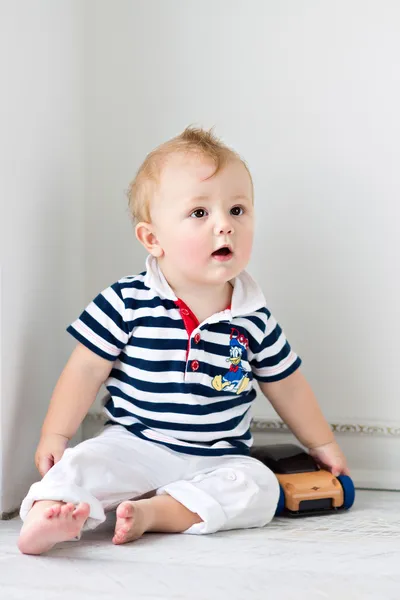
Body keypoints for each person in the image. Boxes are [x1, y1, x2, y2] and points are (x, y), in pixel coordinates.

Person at [18, 126, 349, 555]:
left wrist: (322, 445)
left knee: (260, 488)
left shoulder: (254, 317)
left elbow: (287, 384)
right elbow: (84, 369)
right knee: (83, 462)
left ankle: (157, 514)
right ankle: (50, 513)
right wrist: (54, 434)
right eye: (199, 214)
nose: (224, 226)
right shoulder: (128, 301)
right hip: (134, 444)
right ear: (153, 239)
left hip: (218, 457)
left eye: (237, 210)